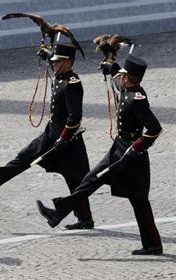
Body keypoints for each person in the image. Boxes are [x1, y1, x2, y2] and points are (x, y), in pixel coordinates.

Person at [37, 54, 163, 255]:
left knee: (139, 200)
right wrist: (112, 66)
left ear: (128, 77)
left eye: (123, 75)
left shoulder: (136, 99)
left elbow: (155, 128)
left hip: (131, 156)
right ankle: (58, 212)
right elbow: (117, 81)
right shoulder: (128, 89)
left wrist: (137, 147)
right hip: (118, 149)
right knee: (90, 180)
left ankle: (153, 244)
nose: (120, 78)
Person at [0, 44, 94, 229]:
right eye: (53, 61)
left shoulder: (72, 84)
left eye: (57, 61)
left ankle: (83, 218)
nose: (54, 64)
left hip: (67, 140)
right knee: (23, 157)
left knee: (76, 179)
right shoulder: (61, 77)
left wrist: (64, 137)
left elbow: (74, 117)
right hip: (51, 133)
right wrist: (48, 55)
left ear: (68, 62)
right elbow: (57, 72)